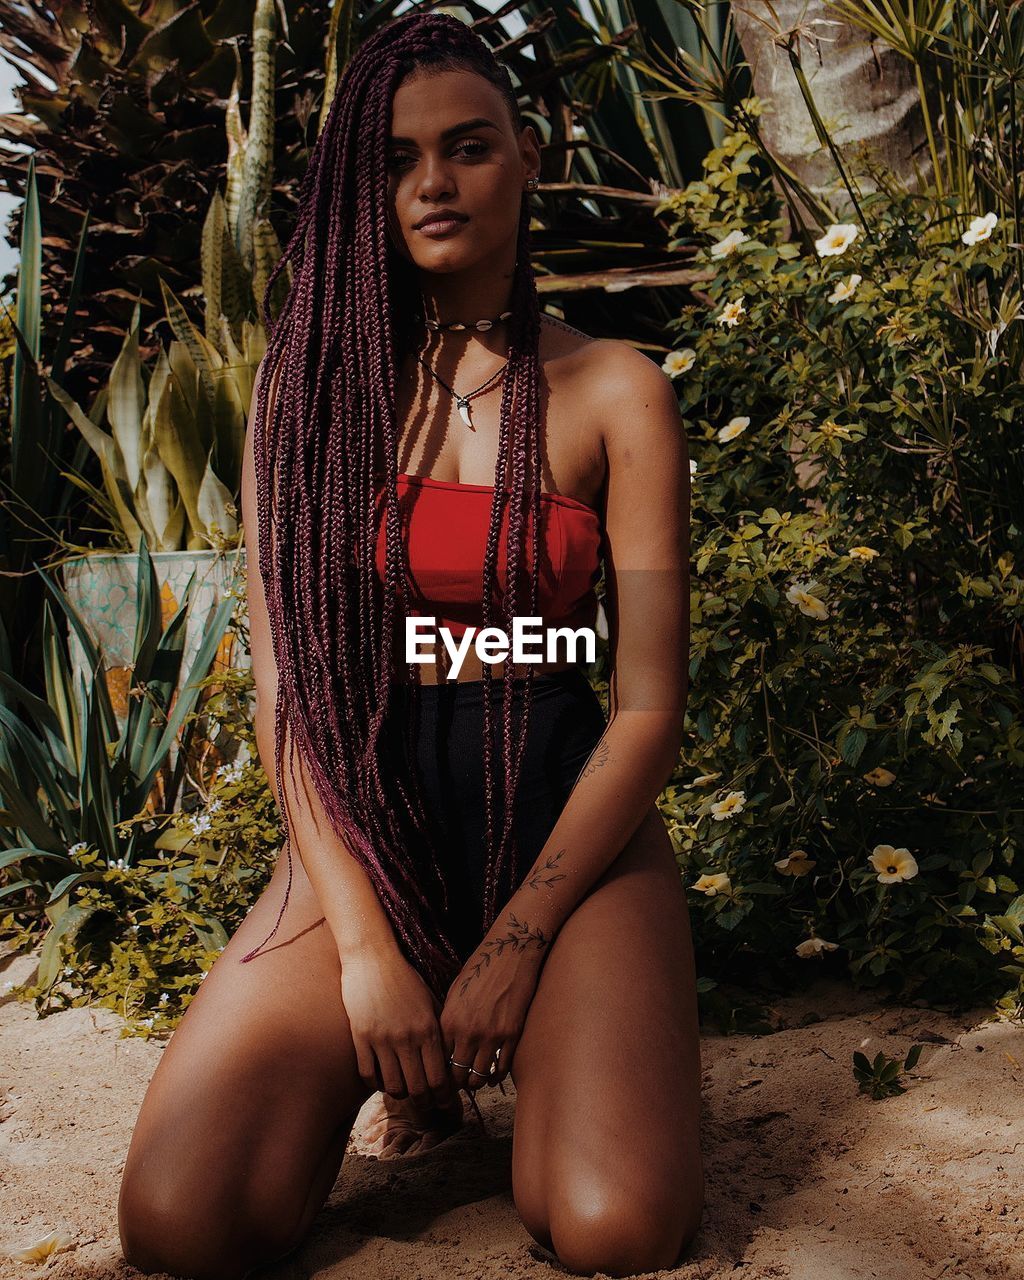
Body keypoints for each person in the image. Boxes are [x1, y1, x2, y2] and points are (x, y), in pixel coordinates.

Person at [118, 9, 702, 1278]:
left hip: (563, 842)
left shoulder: (617, 391)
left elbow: (649, 705)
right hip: (368, 846)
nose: (432, 182)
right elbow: (290, 702)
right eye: (393, 158)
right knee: (182, 1221)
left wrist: (512, 944)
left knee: (611, 1225)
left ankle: (553, 1040)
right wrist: (372, 952)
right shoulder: (307, 391)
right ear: (355, 186)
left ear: (528, 158)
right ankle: (423, 1058)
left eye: (469, 146)